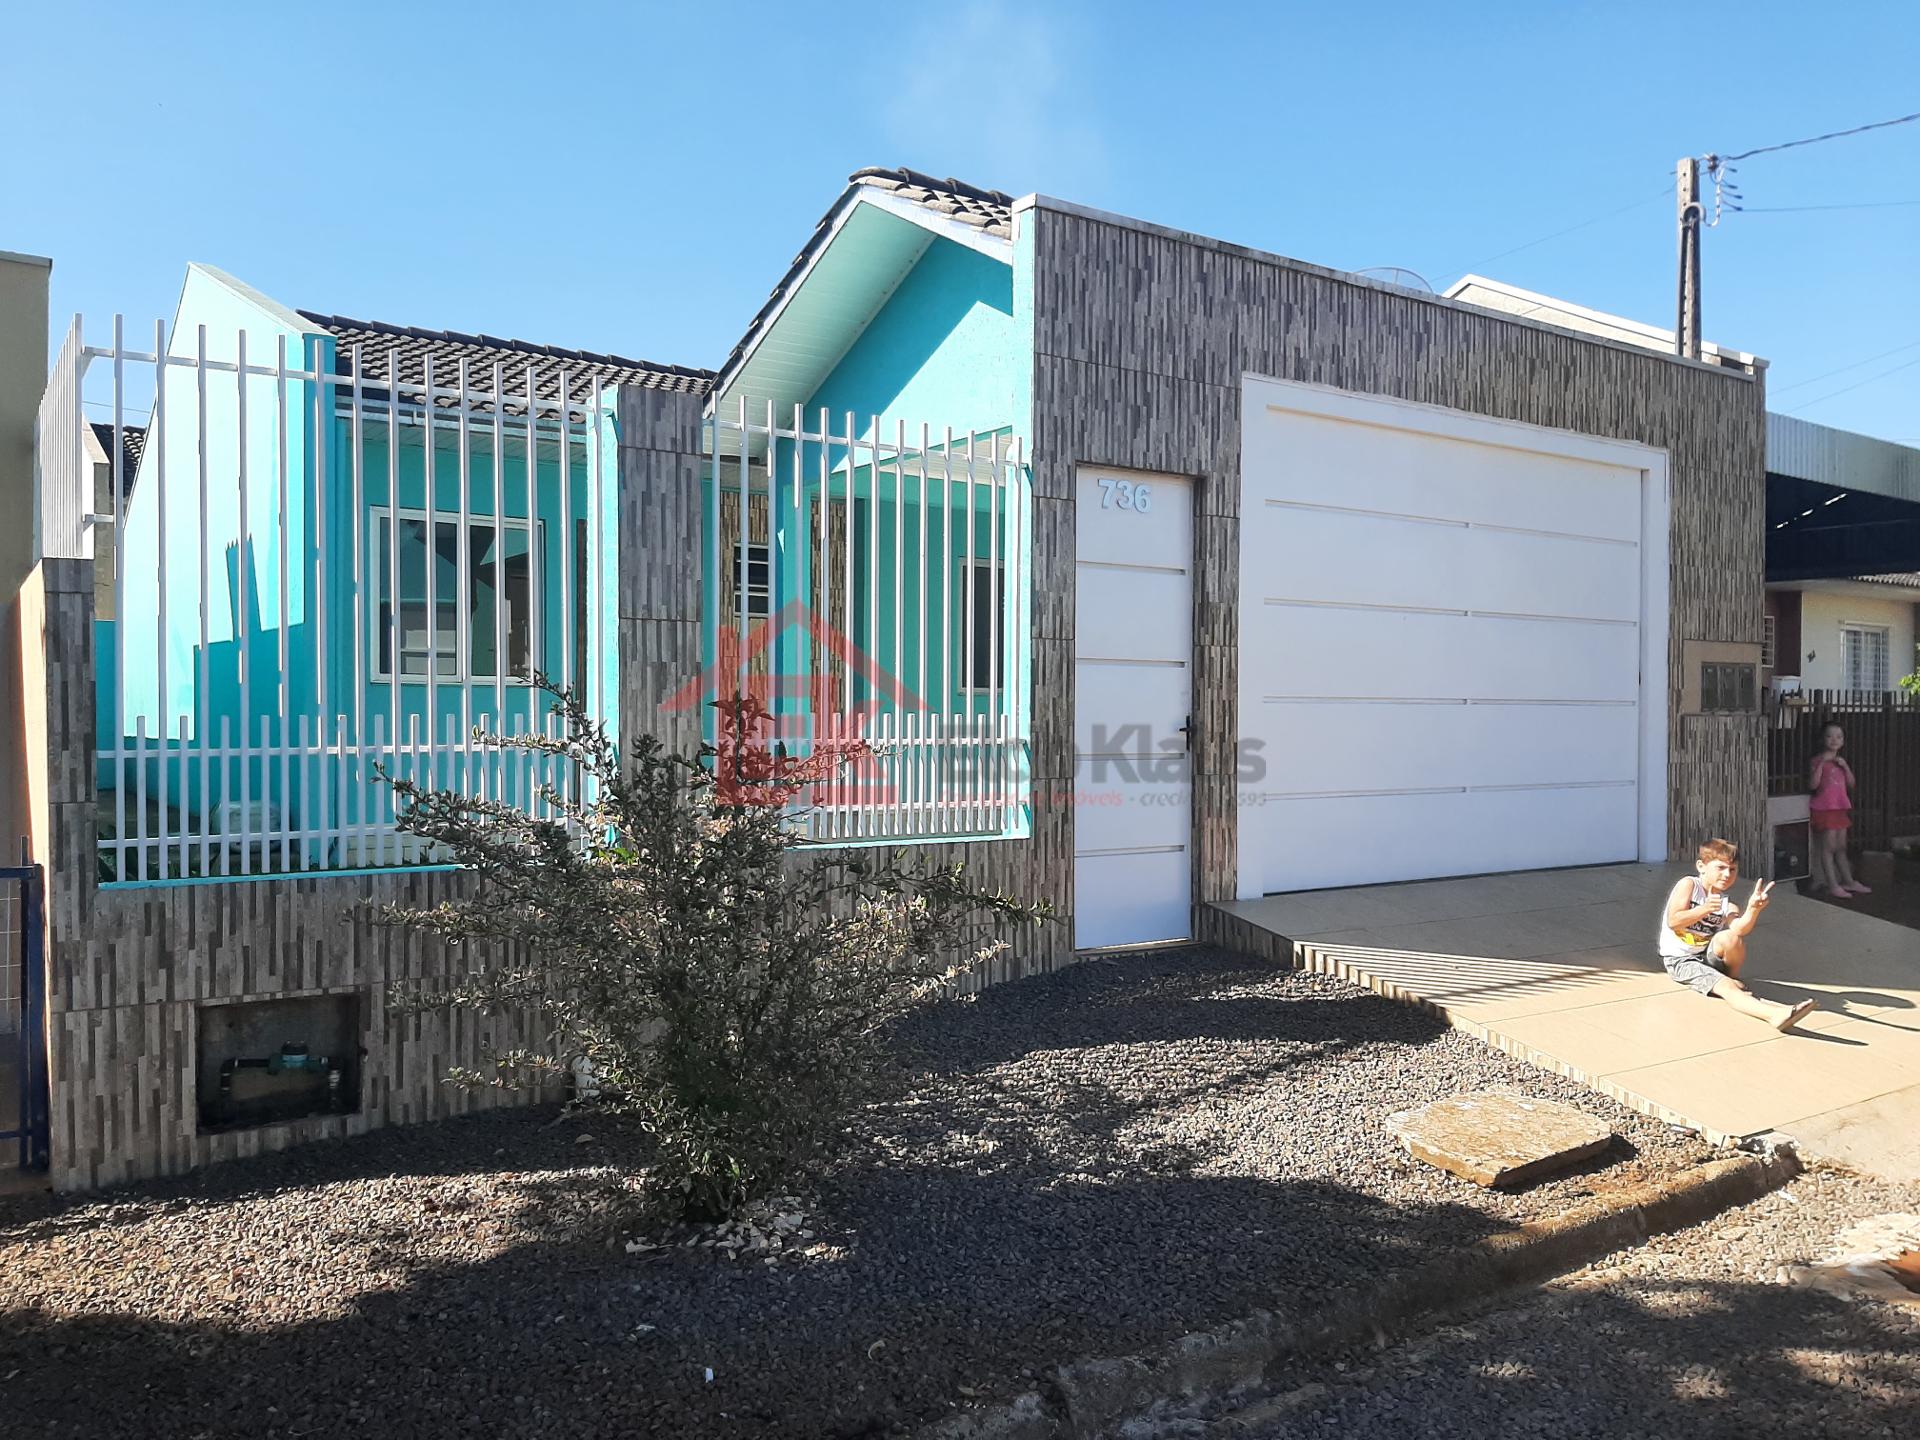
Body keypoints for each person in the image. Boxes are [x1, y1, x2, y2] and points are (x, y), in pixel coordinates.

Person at [1658, 838, 1817, 1032]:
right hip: (1681, 960)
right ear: (1701, 866)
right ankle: (1773, 1014)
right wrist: (1705, 909)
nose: (1727, 874)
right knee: (1726, 988)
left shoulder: (1726, 903)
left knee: (1730, 938)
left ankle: (1729, 977)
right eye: (1721, 868)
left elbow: (1739, 929)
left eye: (1732, 869)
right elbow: (1673, 921)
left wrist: (1753, 909)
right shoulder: (1689, 885)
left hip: (1705, 955)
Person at [1808, 721, 1871, 899]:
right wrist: (1821, 764)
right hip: (1825, 808)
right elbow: (1813, 784)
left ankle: (1848, 881)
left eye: (1839, 736)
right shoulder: (1816, 760)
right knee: (1828, 848)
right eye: (1830, 736)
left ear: (1843, 741)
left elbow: (1851, 784)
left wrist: (1845, 766)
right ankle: (1832, 884)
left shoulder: (1841, 762)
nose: (1834, 740)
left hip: (1840, 808)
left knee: (1841, 847)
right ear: (1823, 739)